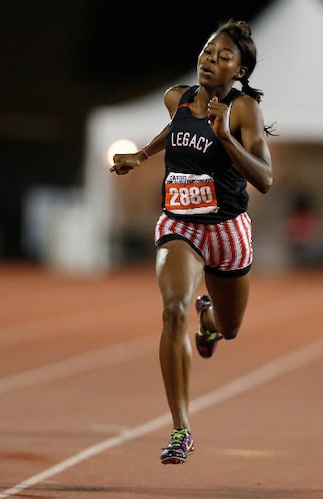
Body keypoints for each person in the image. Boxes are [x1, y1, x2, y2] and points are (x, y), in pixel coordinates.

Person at [110, 19, 273, 465]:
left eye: (223, 56)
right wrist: (140, 156)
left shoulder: (243, 111)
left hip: (228, 230)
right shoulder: (177, 98)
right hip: (180, 226)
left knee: (231, 328)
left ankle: (210, 321)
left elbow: (265, 178)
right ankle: (181, 428)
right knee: (171, 308)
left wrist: (225, 138)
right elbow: (177, 129)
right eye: (207, 51)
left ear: (239, 71)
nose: (210, 60)